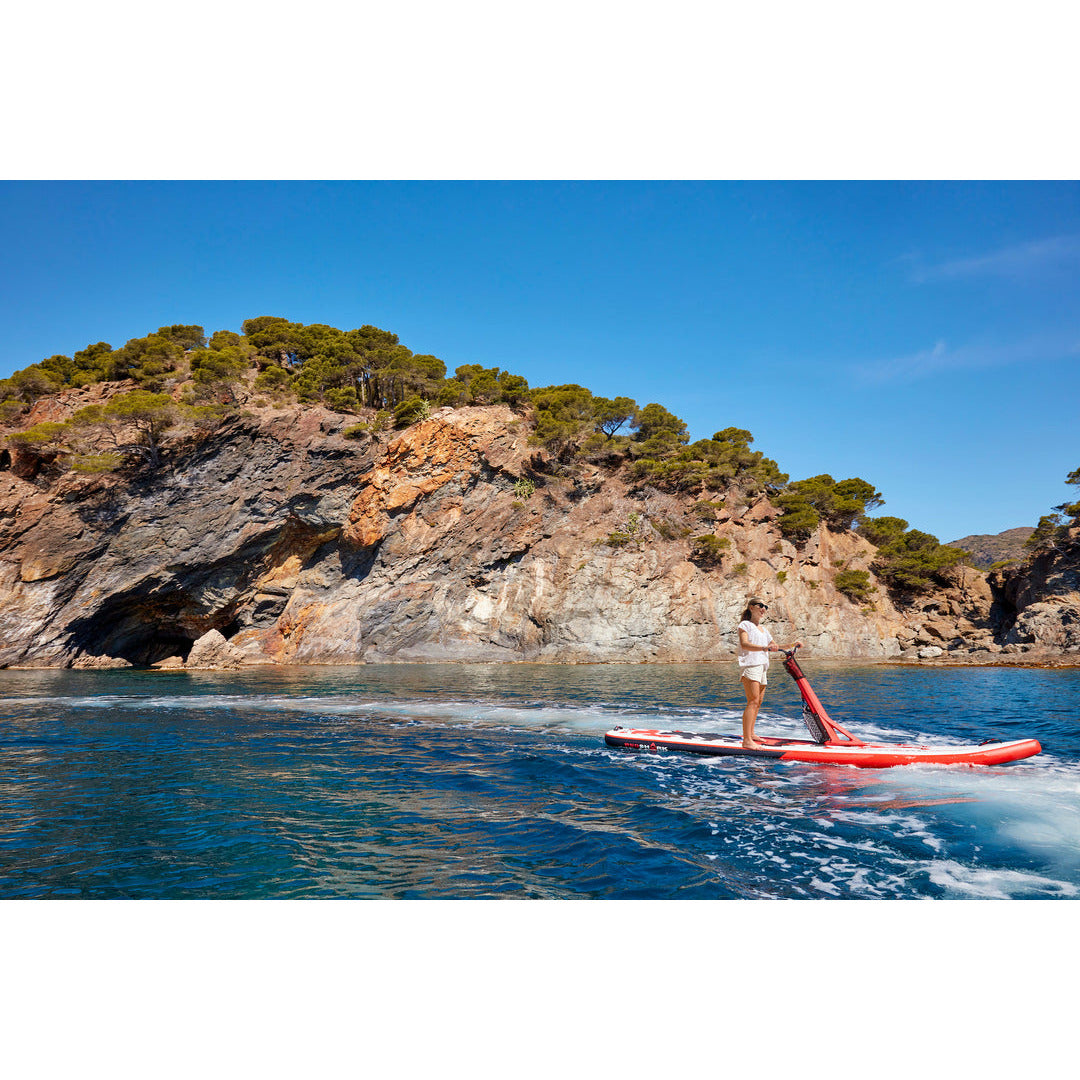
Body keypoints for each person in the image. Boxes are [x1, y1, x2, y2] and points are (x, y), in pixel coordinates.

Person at [737, 598, 803, 749]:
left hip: (762, 666)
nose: (763, 609)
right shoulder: (745, 625)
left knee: (758, 702)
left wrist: (793, 644)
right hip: (751, 665)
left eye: (765, 606)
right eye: (761, 606)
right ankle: (746, 741)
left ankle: (751, 734)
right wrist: (764, 648)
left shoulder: (763, 629)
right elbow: (744, 644)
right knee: (752, 701)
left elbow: (775, 646)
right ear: (752, 607)